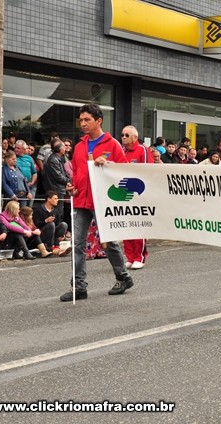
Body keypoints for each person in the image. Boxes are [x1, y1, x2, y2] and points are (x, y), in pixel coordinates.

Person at [60, 103, 133, 302]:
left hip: (103, 200)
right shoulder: (79, 146)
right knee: (77, 244)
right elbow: (76, 173)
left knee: (108, 242)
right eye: (81, 120)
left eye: (87, 120)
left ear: (99, 121)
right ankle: (79, 287)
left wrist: (109, 164)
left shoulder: (113, 144)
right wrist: (72, 186)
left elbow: (124, 172)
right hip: (81, 200)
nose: (83, 123)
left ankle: (123, 276)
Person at [120, 125, 152, 270]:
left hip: (138, 193)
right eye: (122, 135)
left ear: (135, 137)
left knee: (138, 225)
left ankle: (139, 257)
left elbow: (146, 170)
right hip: (124, 193)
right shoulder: (122, 151)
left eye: (127, 135)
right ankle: (130, 257)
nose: (123, 137)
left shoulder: (142, 150)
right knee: (126, 225)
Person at [33, 190, 70, 256]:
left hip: (53, 234)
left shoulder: (56, 210)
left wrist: (63, 234)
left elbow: (59, 223)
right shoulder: (38, 209)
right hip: (41, 234)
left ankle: (56, 245)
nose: (57, 200)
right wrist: (46, 221)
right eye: (55, 199)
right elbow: (36, 224)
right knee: (51, 224)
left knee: (64, 224)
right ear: (49, 199)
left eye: (57, 199)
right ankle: (50, 247)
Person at [42, 139, 72, 217]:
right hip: (56, 188)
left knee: (60, 210)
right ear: (60, 149)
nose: (65, 149)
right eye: (64, 147)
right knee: (58, 211)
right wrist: (69, 181)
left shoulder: (59, 158)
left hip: (58, 188)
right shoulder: (53, 160)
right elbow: (58, 176)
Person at [14, 140, 38, 206]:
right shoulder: (13, 157)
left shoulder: (29, 158)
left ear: (23, 149)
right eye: (15, 147)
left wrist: (32, 182)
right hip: (16, 186)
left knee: (27, 207)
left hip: (28, 185)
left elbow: (34, 172)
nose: (16, 149)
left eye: (18, 148)